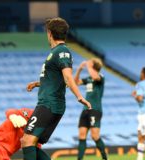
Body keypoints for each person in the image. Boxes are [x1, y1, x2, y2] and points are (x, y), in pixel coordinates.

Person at [21, 17, 91, 160]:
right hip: (51, 104)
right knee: (31, 143)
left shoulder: (61, 51)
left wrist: (79, 96)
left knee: (27, 141)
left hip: (49, 104)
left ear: (49, 33)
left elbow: (67, 77)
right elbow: (57, 79)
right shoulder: (58, 52)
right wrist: (37, 83)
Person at [74, 58, 108, 160]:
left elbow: (95, 76)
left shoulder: (100, 77)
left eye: (91, 63)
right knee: (81, 135)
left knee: (95, 136)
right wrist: (79, 69)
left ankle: (105, 158)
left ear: (94, 66)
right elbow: (75, 82)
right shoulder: (88, 78)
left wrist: (88, 66)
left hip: (95, 109)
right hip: (85, 110)